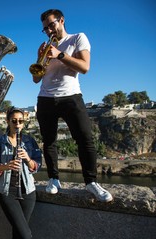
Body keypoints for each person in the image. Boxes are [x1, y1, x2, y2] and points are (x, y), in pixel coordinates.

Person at [31, 9, 113, 202]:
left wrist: (59, 55)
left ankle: (91, 182)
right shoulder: (44, 46)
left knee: (85, 139)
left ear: (61, 20)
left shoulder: (78, 38)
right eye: (45, 28)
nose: (49, 30)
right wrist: (41, 58)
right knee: (49, 141)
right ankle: (53, 179)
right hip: (45, 98)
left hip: (71, 96)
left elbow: (84, 67)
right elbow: (36, 78)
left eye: (51, 25)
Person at [0, 107, 42, 239]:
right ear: (8, 122)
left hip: (28, 192)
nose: (17, 124)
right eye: (14, 121)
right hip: (7, 192)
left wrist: (28, 159)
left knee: (18, 232)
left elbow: (37, 166)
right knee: (25, 236)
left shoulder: (29, 141)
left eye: (20, 121)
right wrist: (5, 166)